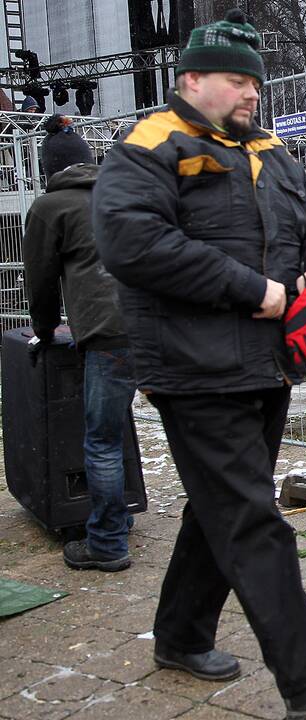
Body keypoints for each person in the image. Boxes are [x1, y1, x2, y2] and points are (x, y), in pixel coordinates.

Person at [92, 10, 306, 718]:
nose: (253, 93)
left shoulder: (270, 153)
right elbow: (132, 243)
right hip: (194, 370)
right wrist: (252, 289)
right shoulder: (150, 145)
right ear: (191, 80)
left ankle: (180, 634)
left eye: (255, 81)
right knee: (252, 517)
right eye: (237, 80)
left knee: (222, 506)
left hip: (266, 365)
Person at [22, 113, 135, 572]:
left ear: (50, 169)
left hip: (109, 333)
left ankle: (108, 543)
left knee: (102, 440)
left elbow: (42, 282)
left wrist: (46, 332)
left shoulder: (51, 208)